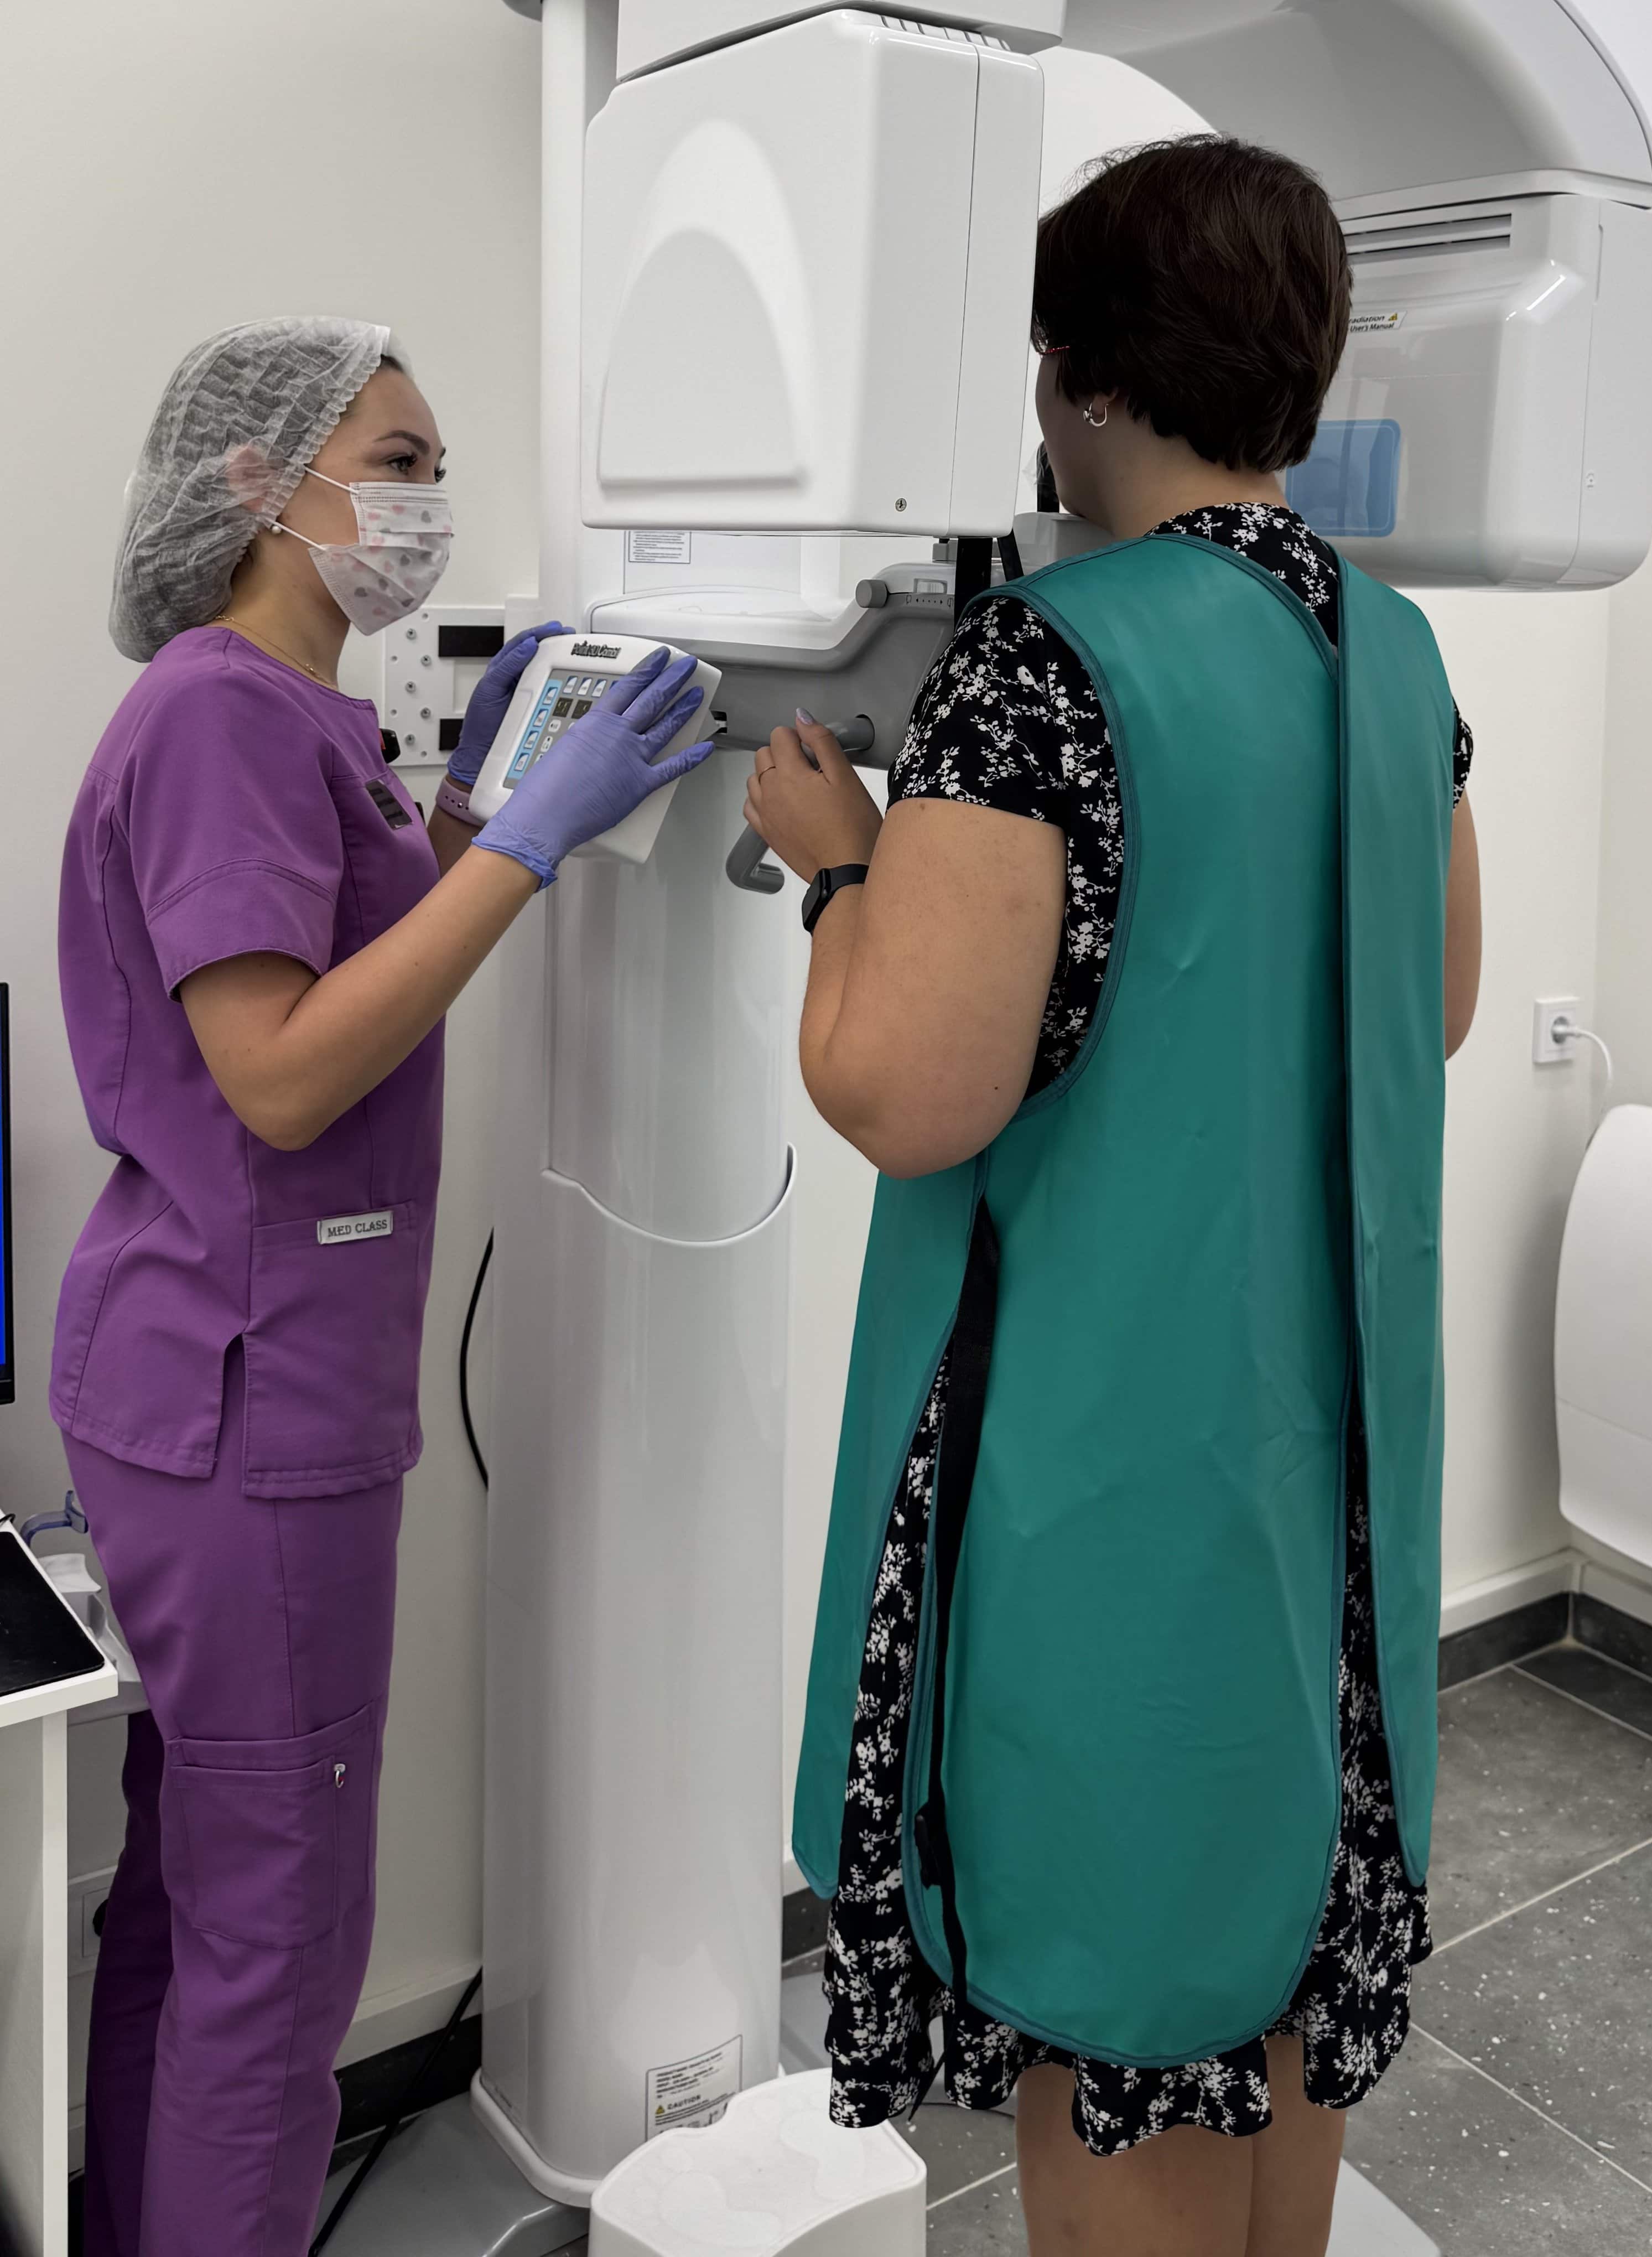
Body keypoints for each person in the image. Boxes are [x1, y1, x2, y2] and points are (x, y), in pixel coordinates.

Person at [744, 138, 1482, 2257]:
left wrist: (846, 867)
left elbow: (908, 1093)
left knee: (1131, 1974)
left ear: (1072, 375)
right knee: (1281, 1952)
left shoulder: (1041, 661)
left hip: (1112, 1461)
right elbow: (1426, 1008)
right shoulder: (1398, 649)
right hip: (1331, 1455)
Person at [54, 317, 712, 2257]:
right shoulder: (222, 715)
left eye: (437, 468)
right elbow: (278, 1071)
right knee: (278, 1941)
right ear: (258, 479)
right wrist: (530, 847)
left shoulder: (297, 712)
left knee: (199, 1895)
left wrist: (469, 807)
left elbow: (338, 959)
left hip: (213, 1369)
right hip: (248, 1396)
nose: (430, 503)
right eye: (397, 461)